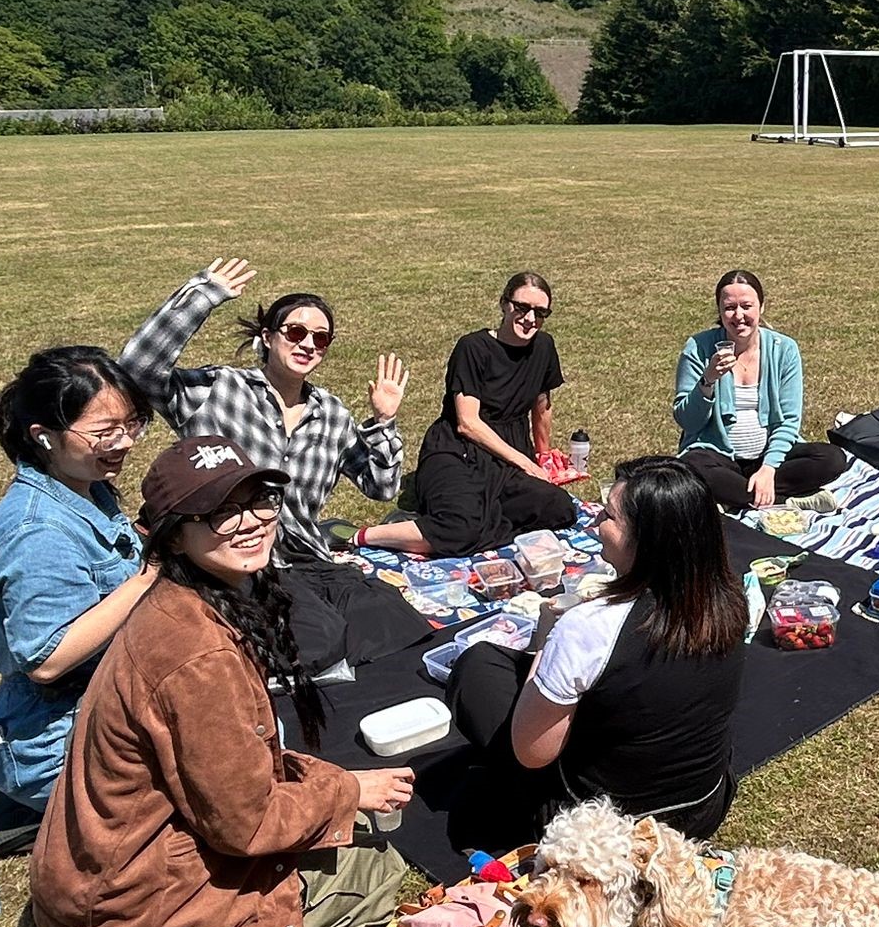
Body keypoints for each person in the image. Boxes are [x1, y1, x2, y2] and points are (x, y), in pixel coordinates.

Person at [31, 435, 413, 927]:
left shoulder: (177, 608)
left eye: (258, 499)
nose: (252, 520)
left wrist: (328, 785)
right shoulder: (198, 654)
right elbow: (248, 824)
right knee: (378, 871)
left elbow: (233, 765)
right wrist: (347, 792)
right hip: (128, 919)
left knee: (334, 822)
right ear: (173, 538)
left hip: (93, 901)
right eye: (220, 511)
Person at [119, 257, 430, 667]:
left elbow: (382, 487)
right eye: (296, 332)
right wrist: (203, 295)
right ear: (267, 338)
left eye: (320, 339)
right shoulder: (220, 390)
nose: (307, 345)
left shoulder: (331, 414)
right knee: (318, 641)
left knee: (396, 621)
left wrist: (384, 422)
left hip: (308, 558)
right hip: (233, 560)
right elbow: (136, 369)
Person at [448, 456, 749, 852]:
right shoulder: (726, 601)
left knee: (476, 667)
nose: (595, 524)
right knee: (497, 662)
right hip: (700, 807)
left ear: (646, 541)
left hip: (606, 832)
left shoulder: (591, 626)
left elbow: (533, 752)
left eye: (608, 516)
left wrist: (550, 641)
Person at [0, 348, 160, 829]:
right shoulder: (37, 533)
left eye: (132, 423)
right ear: (44, 436)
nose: (125, 442)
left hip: (105, 711)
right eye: (104, 432)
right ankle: (43, 810)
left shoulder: (85, 484)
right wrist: (150, 574)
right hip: (61, 742)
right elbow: (46, 659)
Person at [356, 271, 578, 557]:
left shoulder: (544, 347)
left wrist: (543, 456)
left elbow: (542, 405)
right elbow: (467, 424)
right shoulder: (473, 348)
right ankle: (367, 535)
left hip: (507, 455)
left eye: (540, 312)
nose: (530, 319)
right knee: (460, 528)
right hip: (457, 451)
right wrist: (525, 462)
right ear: (504, 304)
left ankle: (457, 524)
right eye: (521, 308)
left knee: (560, 509)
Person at [673, 269, 848, 511]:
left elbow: (789, 421)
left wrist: (769, 467)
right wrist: (708, 379)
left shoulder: (783, 349)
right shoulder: (698, 348)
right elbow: (687, 422)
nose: (739, 316)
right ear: (720, 311)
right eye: (729, 308)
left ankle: (740, 494)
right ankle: (782, 500)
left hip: (768, 456)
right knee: (691, 467)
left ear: (761, 307)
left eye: (746, 306)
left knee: (832, 459)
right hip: (720, 458)